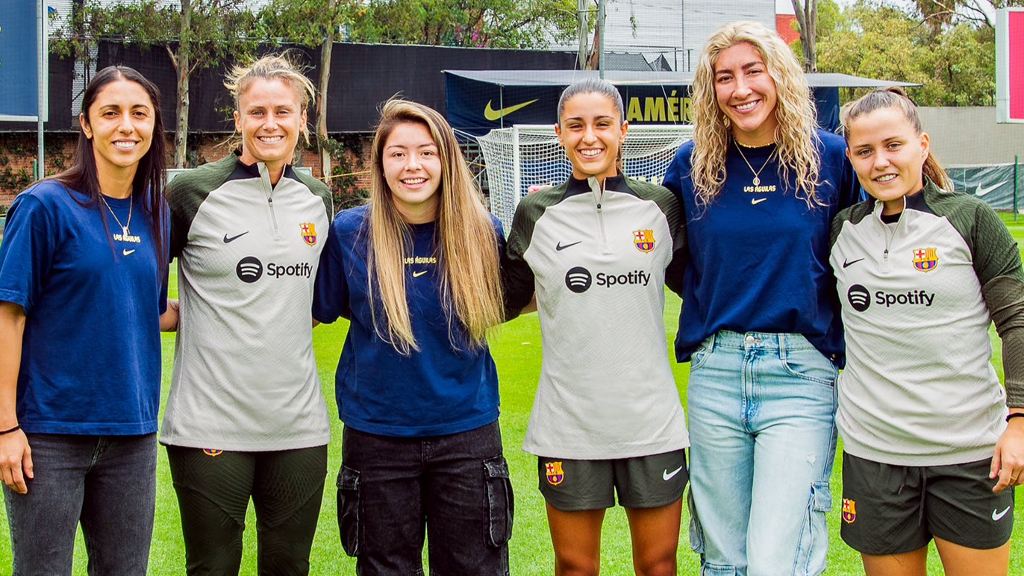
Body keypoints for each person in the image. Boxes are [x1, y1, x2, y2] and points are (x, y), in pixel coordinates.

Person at [661, 21, 861, 575]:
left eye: (754, 70)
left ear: (779, 76)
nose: (741, 87)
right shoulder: (691, 164)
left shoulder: (832, 160)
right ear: (711, 90)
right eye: (725, 77)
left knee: (778, 558)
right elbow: (676, 258)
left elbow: (867, 243)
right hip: (716, 372)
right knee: (724, 558)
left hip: (800, 374)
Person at [312, 99, 511, 575]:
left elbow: (517, 297)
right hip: (378, 436)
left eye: (426, 152)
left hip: (467, 435)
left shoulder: (484, 232)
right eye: (398, 153)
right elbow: (320, 311)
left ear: (447, 158)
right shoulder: (349, 233)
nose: (412, 166)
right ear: (380, 164)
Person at [832, 87, 1024, 576]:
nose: (881, 162)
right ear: (851, 157)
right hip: (876, 456)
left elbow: (1017, 320)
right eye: (865, 151)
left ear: (922, 143)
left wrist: (1020, 420)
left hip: (970, 453)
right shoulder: (841, 232)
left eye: (893, 145)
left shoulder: (970, 220)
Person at [503, 78, 689, 576]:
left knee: (658, 564)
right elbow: (504, 298)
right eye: (576, 125)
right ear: (559, 134)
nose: (590, 136)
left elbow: (702, 287)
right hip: (569, 426)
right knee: (574, 566)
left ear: (623, 130)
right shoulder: (536, 213)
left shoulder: (662, 208)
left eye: (603, 123)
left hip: (651, 424)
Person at [160, 54, 333, 575]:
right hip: (210, 425)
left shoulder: (318, 199)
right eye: (257, 112)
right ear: (237, 119)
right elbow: (134, 288)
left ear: (303, 119)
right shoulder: (190, 192)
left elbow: (315, 304)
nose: (270, 123)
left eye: (283, 111)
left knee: (289, 566)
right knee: (212, 568)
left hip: (299, 428)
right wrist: (185, 316)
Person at [0, 65, 170, 575]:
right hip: (50, 434)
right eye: (110, 113)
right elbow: (9, 316)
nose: (127, 126)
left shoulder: (155, 210)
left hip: (132, 435)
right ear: (86, 125)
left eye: (139, 113)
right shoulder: (44, 206)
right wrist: (6, 426)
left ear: (154, 124)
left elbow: (151, 309)